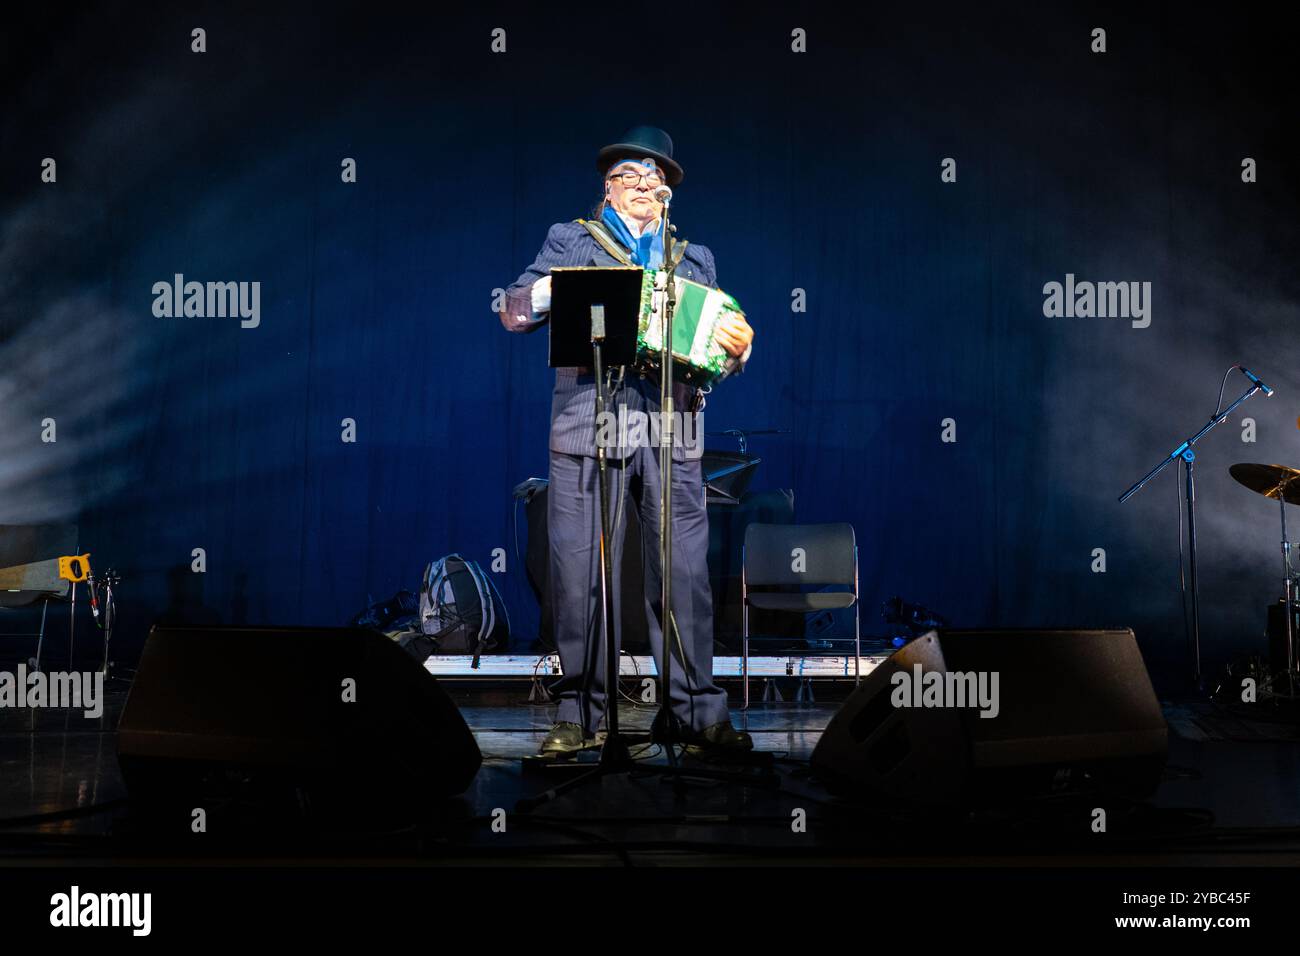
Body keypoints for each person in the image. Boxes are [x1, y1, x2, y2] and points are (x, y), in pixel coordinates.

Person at [499, 126, 755, 756]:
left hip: (672, 428)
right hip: (590, 421)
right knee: (583, 570)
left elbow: (718, 343)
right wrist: (550, 290)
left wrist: (738, 348)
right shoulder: (571, 241)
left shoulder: (693, 258)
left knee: (685, 575)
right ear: (607, 188)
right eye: (633, 177)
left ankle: (695, 711)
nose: (647, 186)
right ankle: (581, 712)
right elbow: (512, 310)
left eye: (657, 179)